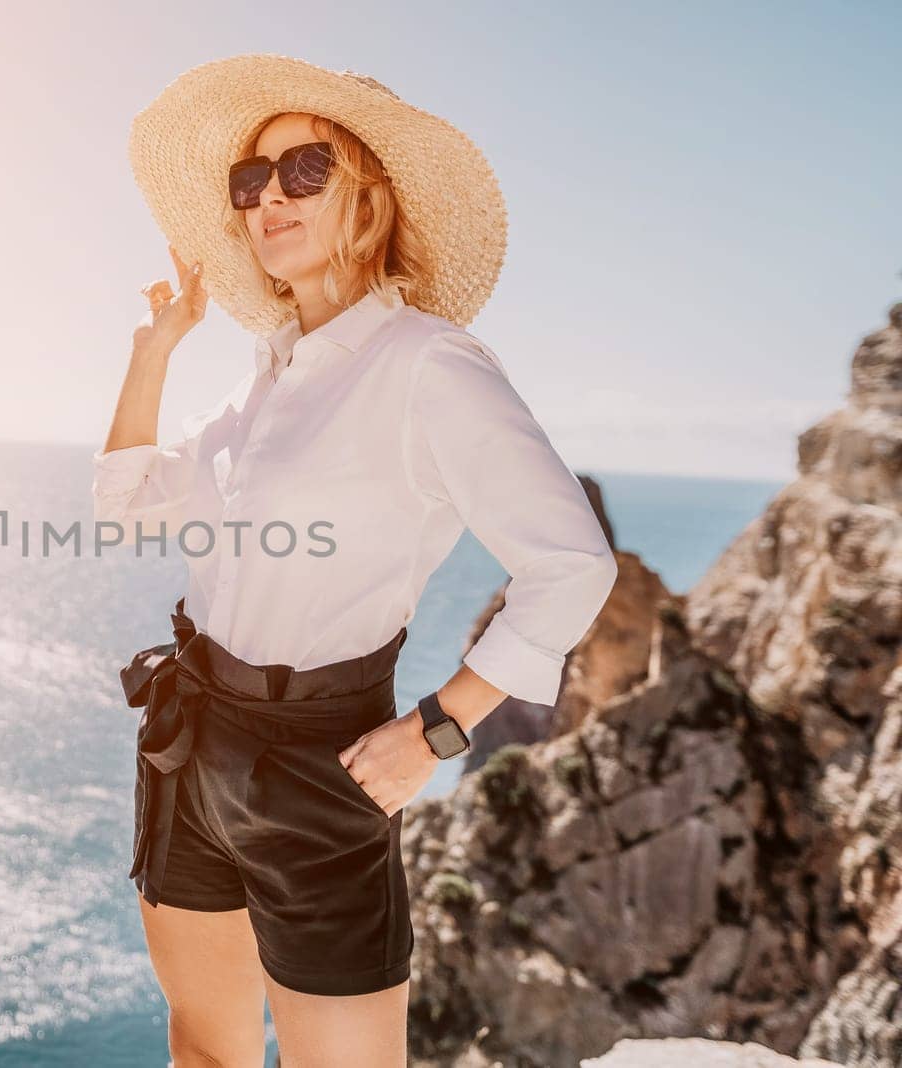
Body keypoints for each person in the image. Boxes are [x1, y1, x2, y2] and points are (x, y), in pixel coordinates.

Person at [93, 54, 618, 1067]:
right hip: (191, 747)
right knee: (205, 1054)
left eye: (303, 170)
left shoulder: (427, 362)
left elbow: (573, 562)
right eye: (250, 184)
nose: (266, 200)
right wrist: (155, 350)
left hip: (322, 763)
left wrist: (436, 728)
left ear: (369, 199)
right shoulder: (264, 381)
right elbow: (122, 505)